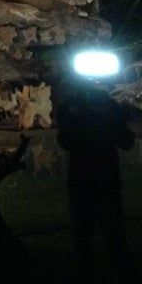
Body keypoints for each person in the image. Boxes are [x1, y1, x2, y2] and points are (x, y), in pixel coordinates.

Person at [56, 77, 138, 283]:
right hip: (85, 184)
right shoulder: (73, 108)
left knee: (115, 242)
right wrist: (72, 115)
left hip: (103, 184)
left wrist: (111, 118)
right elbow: (65, 140)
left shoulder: (109, 107)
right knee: (84, 245)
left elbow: (126, 141)